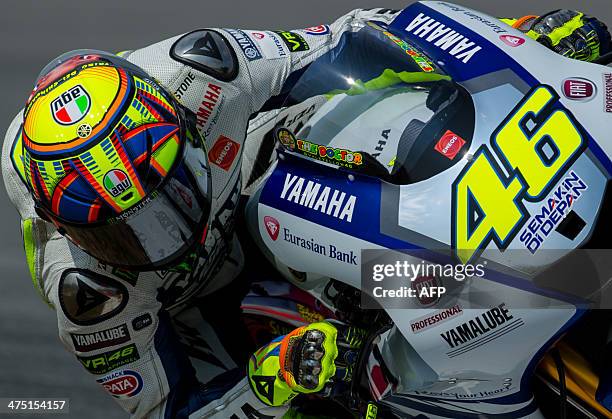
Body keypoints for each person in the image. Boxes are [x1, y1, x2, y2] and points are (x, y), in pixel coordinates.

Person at [1, 5, 610, 418]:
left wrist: (521, 37)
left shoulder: (206, 71)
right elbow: (176, 410)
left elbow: (361, 35)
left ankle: (455, 283)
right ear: (71, 231)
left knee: (360, 129)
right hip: (187, 306)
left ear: (187, 131)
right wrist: (275, 377)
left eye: (169, 196)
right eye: (122, 233)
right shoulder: (92, 294)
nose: (160, 235)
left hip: (251, 185)